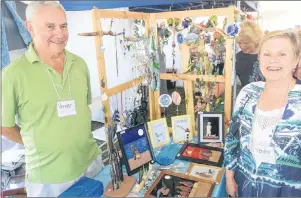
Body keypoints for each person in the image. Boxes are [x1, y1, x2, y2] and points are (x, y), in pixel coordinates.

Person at [2, 2, 103, 197]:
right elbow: (5, 126)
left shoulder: (79, 64)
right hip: (49, 176)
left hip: (90, 162)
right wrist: (36, 142)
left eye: (63, 26)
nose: (60, 33)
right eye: (50, 26)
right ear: (30, 28)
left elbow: (82, 109)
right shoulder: (13, 75)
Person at [224, 30, 301, 197]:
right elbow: (233, 139)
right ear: (259, 58)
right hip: (246, 185)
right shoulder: (248, 92)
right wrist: (229, 178)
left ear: (296, 60)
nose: (273, 60)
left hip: (288, 191)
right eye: (267, 54)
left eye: (282, 54)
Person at [235, 20, 264, 88]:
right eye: (239, 43)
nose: (242, 46)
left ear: (255, 39)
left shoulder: (267, 55)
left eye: (246, 43)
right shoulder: (238, 58)